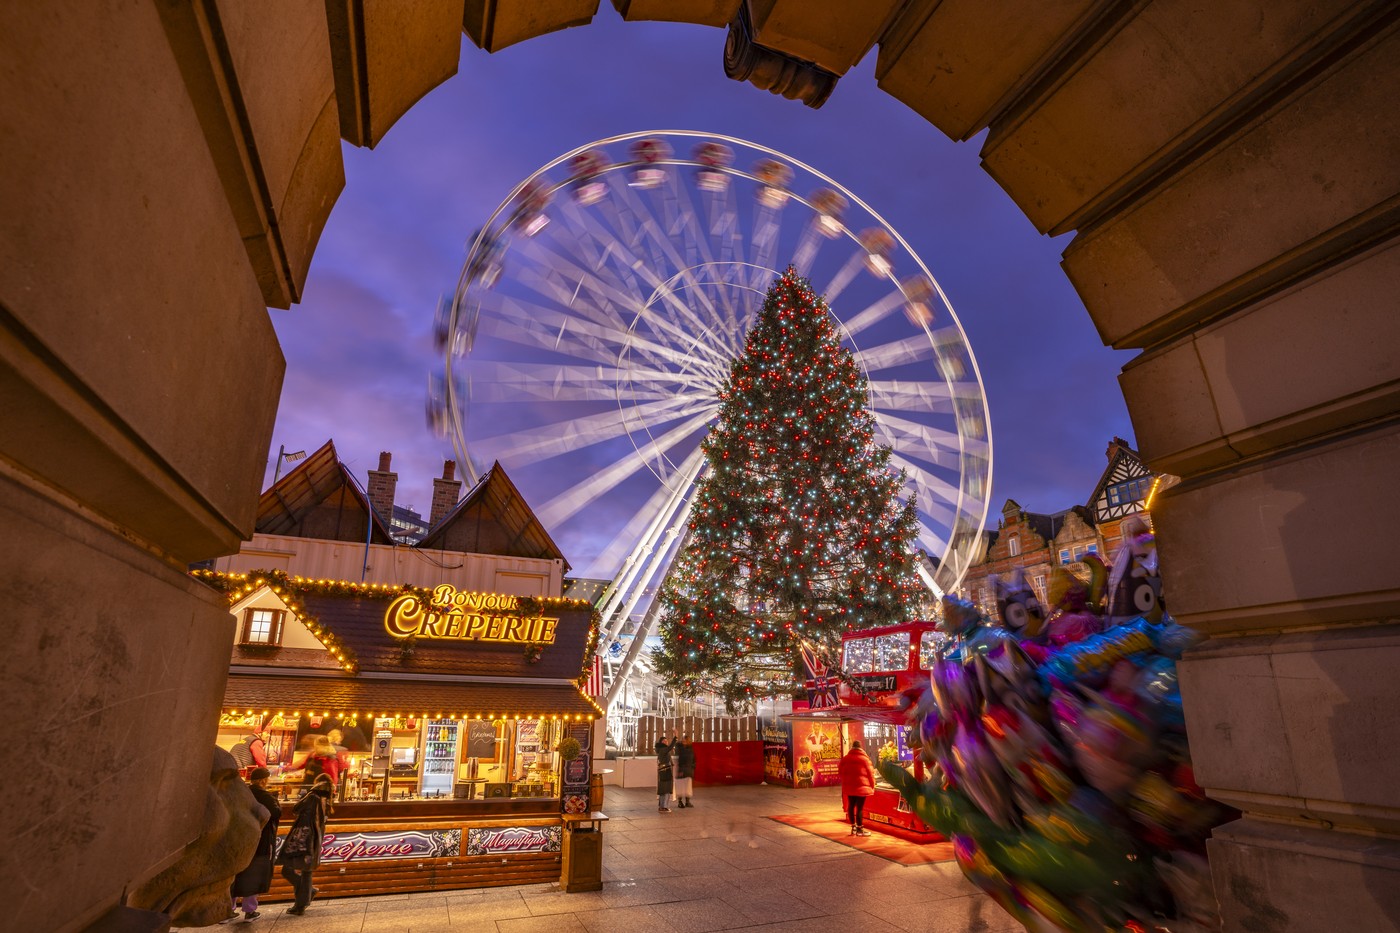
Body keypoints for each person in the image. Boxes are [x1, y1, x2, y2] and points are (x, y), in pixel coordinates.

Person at [277, 774, 333, 915]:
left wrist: (307, 793)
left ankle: (303, 900)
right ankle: (305, 896)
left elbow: (296, 808)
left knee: (287, 870)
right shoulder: (327, 800)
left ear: (317, 783)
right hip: (316, 839)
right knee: (306, 872)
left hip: (302, 839)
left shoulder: (312, 796)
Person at [229, 767, 280, 921]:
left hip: (238, 839)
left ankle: (227, 910)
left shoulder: (241, 793)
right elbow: (276, 813)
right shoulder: (266, 796)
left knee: (234, 874)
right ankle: (249, 910)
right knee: (254, 873)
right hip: (259, 840)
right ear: (264, 780)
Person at [839, 739, 876, 837]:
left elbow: (840, 772)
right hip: (861, 787)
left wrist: (846, 782)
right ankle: (860, 829)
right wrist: (872, 785)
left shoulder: (845, 758)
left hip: (850, 787)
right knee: (859, 808)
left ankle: (853, 827)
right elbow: (870, 774)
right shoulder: (864, 759)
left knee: (851, 806)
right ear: (860, 748)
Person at [655, 736, 677, 812]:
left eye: (666, 740)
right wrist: (675, 737)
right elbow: (670, 747)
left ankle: (661, 806)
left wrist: (671, 763)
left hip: (663, 770)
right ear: (661, 742)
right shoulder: (663, 749)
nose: (666, 742)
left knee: (662, 789)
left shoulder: (661, 749)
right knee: (667, 788)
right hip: (665, 770)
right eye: (664, 741)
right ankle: (664, 807)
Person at [674, 736, 697, 808]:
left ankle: (687, 802)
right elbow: (679, 760)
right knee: (680, 787)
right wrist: (680, 770)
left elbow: (693, 759)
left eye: (685, 740)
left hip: (689, 771)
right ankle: (680, 802)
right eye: (682, 740)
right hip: (682, 771)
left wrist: (692, 768)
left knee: (688, 787)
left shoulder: (691, 749)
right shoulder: (679, 748)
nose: (684, 742)